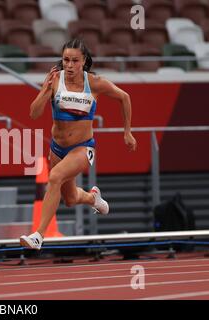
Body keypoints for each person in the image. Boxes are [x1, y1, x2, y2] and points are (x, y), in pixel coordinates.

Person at [20, 39, 137, 250]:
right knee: (71, 199)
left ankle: (38, 235)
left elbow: (124, 97)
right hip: (57, 148)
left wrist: (127, 131)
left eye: (75, 60)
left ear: (84, 61)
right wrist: (45, 89)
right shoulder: (55, 80)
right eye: (66, 60)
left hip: (83, 148)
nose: (70, 65)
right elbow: (34, 113)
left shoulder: (94, 83)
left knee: (54, 177)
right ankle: (93, 198)